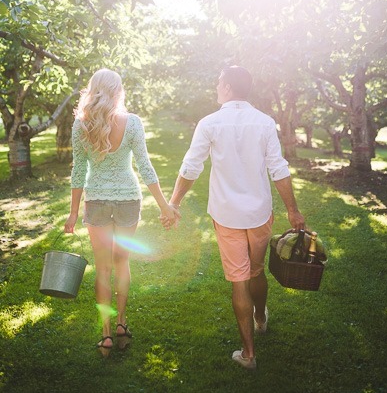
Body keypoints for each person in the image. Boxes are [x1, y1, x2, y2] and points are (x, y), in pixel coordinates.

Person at [163, 65, 305, 370]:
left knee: (239, 279)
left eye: (218, 83)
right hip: (259, 214)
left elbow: (191, 166)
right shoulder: (265, 122)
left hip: (227, 215)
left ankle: (249, 355)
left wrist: (174, 203)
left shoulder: (209, 123)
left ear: (227, 87)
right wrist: (292, 210)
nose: (216, 88)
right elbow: (278, 168)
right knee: (256, 271)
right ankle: (261, 317)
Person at [64, 68, 178, 357]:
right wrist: (164, 205)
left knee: (102, 267)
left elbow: (79, 172)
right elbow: (145, 166)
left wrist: (73, 212)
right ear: (117, 92)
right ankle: (122, 324)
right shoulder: (133, 123)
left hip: (97, 202)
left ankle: (105, 335)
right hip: (128, 200)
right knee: (121, 261)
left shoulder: (81, 126)